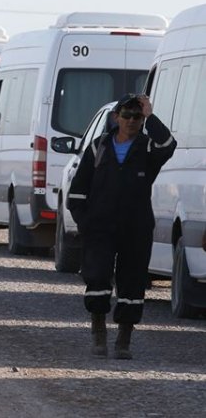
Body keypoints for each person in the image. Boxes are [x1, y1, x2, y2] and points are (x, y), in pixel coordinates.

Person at [67, 94, 175, 359]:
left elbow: (168, 144)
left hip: (135, 228)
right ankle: (99, 331)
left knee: (133, 283)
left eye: (137, 116)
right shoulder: (99, 147)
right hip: (100, 228)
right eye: (127, 115)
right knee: (97, 277)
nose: (131, 121)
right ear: (116, 117)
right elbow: (77, 193)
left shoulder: (148, 149)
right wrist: (86, 223)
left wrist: (150, 115)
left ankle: (124, 339)